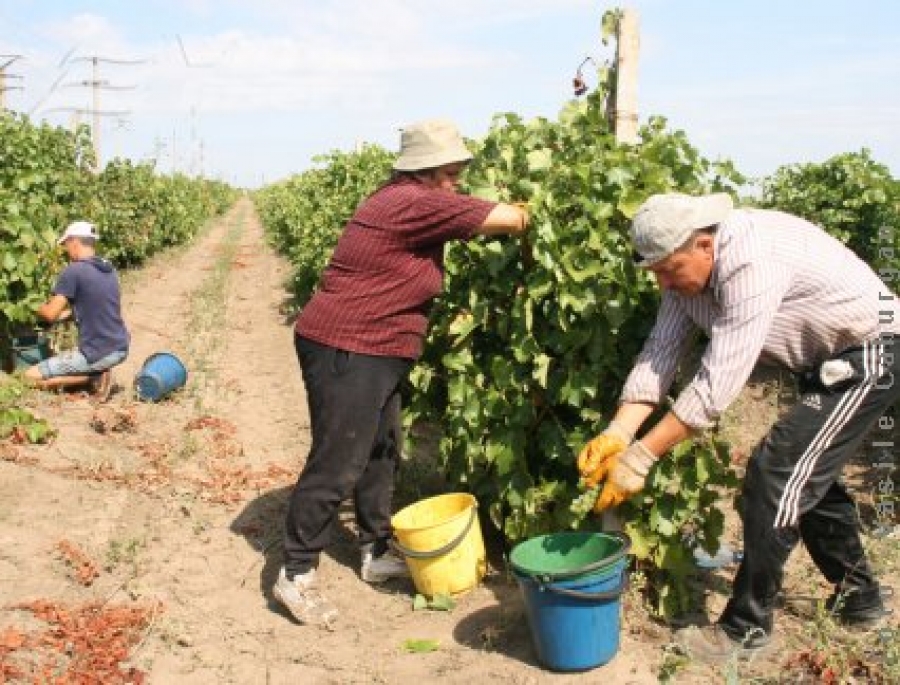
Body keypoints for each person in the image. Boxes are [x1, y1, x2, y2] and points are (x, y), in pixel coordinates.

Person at [577, 192, 899, 661]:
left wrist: (643, 455)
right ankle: (861, 600)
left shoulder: (751, 260)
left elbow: (717, 380)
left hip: (872, 350)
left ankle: (746, 629)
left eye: (669, 269)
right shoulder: (682, 280)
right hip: (828, 360)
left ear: (704, 245)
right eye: (655, 273)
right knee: (805, 479)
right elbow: (660, 353)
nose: (664, 282)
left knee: (775, 473)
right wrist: (618, 433)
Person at [273, 118, 529, 628]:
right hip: (348, 344)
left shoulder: (404, 199)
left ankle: (374, 549)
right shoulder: (413, 201)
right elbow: (511, 219)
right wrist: (530, 211)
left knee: (382, 448)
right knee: (338, 459)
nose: (457, 183)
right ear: (428, 172)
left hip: (377, 345)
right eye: (453, 173)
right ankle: (295, 573)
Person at [24, 220, 130, 402]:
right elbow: (94, 306)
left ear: (74, 241)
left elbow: (49, 314)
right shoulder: (107, 268)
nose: (66, 250)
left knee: (28, 377)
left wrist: (27, 305)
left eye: (66, 245)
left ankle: (92, 377)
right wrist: (65, 316)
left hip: (98, 352)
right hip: (120, 346)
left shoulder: (73, 271)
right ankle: (96, 372)